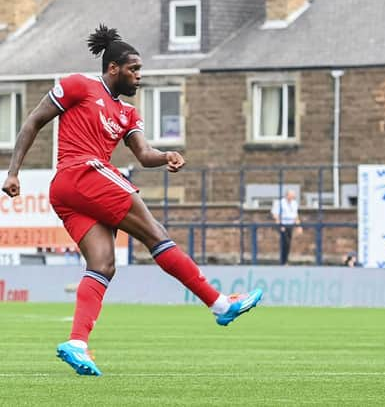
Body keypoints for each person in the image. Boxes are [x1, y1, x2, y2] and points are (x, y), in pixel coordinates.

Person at [1, 25, 263, 377]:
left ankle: (77, 342)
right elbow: (33, 121)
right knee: (154, 232)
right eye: (134, 70)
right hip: (82, 172)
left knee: (103, 264)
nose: (139, 77)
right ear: (113, 69)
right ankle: (218, 303)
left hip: (73, 192)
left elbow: (143, 154)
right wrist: (13, 171)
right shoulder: (79, 85)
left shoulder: (128, 114)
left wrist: (166, 155)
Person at [271, 189, 302, 265]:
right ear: (287, 195)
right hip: (282, 224)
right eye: (291, 195)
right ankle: (283, 261)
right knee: (285, 241)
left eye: (293, 195)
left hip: (290, 225)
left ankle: (285, 260)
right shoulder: (280, 203)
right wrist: (280, 224)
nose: (293, 197)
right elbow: (275, 214)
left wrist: (299, 226)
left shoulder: (294, 203)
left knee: (288, 243)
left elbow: (295, 215)